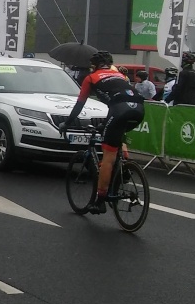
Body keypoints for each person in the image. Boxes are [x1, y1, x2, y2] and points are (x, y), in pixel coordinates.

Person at [57, 51, 144, 214]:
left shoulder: (91, 78)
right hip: (139, 109)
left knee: (108, 157)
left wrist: (66, 123)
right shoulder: (118, 74)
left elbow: (79, 105)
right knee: (118, 136)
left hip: (119, 110)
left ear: (94, 66)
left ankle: (100, 200)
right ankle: (125, 164)